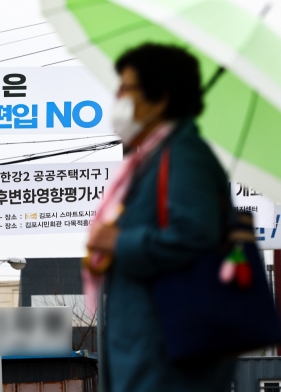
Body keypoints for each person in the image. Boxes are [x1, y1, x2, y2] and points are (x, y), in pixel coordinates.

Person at [84, 43, 236, 391]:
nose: (119, 97)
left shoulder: (184, 157)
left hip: (168, 355)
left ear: (162, 97)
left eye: (128, 88)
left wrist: (120, 241)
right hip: (154, 349)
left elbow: (195, 236)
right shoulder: (157, 159)